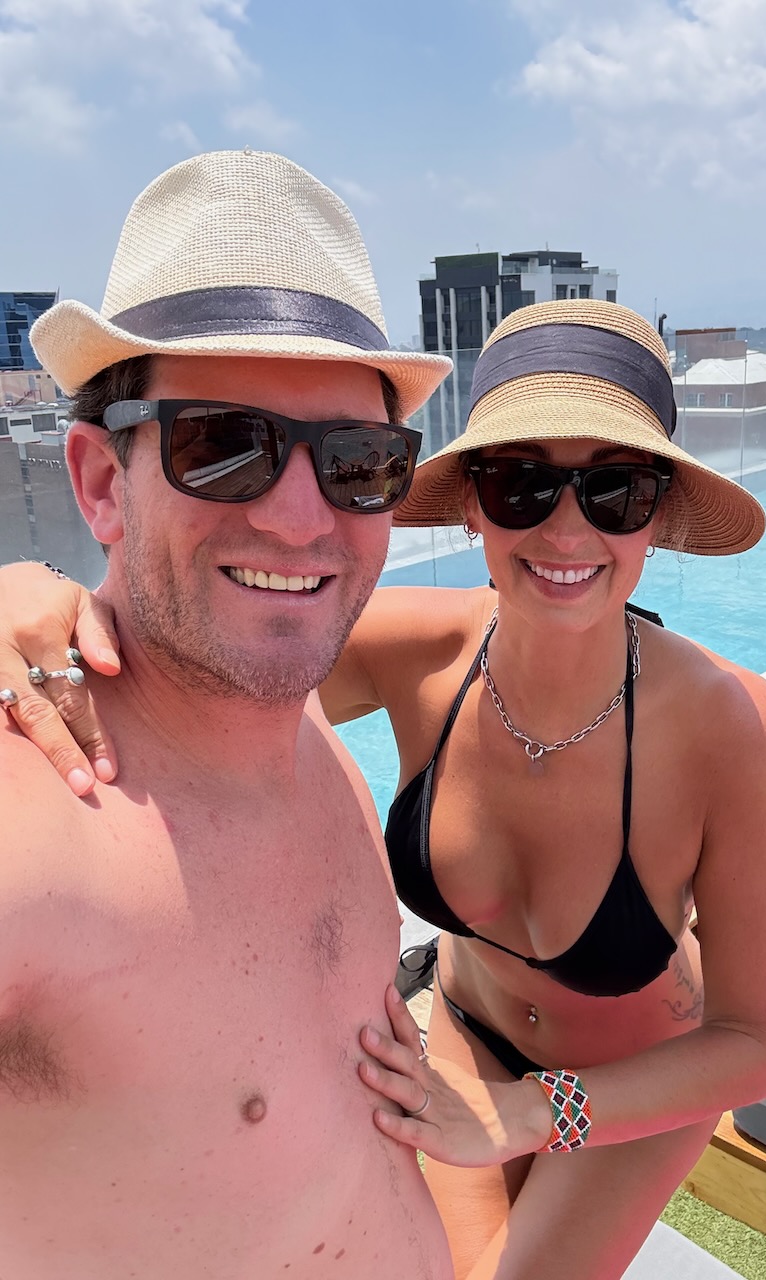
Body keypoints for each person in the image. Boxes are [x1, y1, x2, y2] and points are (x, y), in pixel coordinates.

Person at [0, 302, 766, 1280]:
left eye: (615, 490)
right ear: (470, 503)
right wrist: (32, 593)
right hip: (463, 1039)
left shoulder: (732, 725)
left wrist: (536, 1112)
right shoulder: (410, 649)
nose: (566, 529)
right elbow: (200, 658)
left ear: (659, 518)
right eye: (520, 483)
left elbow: (757, 1040)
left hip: (640, 1079)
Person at [0, 149, 455, 1279]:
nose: (302, 520)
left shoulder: (306, 727)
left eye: (358, 462)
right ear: (101, 483)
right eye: (220, 445)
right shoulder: (34, 823)